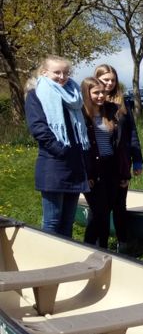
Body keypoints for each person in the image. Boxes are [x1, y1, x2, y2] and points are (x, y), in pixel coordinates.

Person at [24, 56, 90, 237]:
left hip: (75, 165)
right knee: (52, 221)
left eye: (66, 72)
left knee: (68, 222)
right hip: (54, 164)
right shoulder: (36, 94)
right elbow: (38, 128)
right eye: (57, 72)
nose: (62, 76)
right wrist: (61, 150)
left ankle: (67, 260)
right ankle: (49, 260)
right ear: (44, 72)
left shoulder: (74, 94)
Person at [94, 64, 143, 253]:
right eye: (105, 79)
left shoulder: (123, 102)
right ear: (97, 79)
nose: (109, 83)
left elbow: (132, 133)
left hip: (121, 162)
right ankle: (99, 246)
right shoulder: (92, 101)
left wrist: (138, 160)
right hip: (100, 163)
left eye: (112, 80)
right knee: (101, 207)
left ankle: (124, 244)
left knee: (120, 205)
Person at [80, 77, 128, 248]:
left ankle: (102, 248)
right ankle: (91, 246)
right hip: (93, 169)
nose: (101, 96)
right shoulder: (80, 115)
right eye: (96, 92)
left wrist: (124, 172)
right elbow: (80, 148)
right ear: (87, 93)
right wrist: (86, 174)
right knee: (99, 212)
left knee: (105, 210)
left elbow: (121, 144)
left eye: (103, 92)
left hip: (111, 166)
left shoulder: (110, 112)